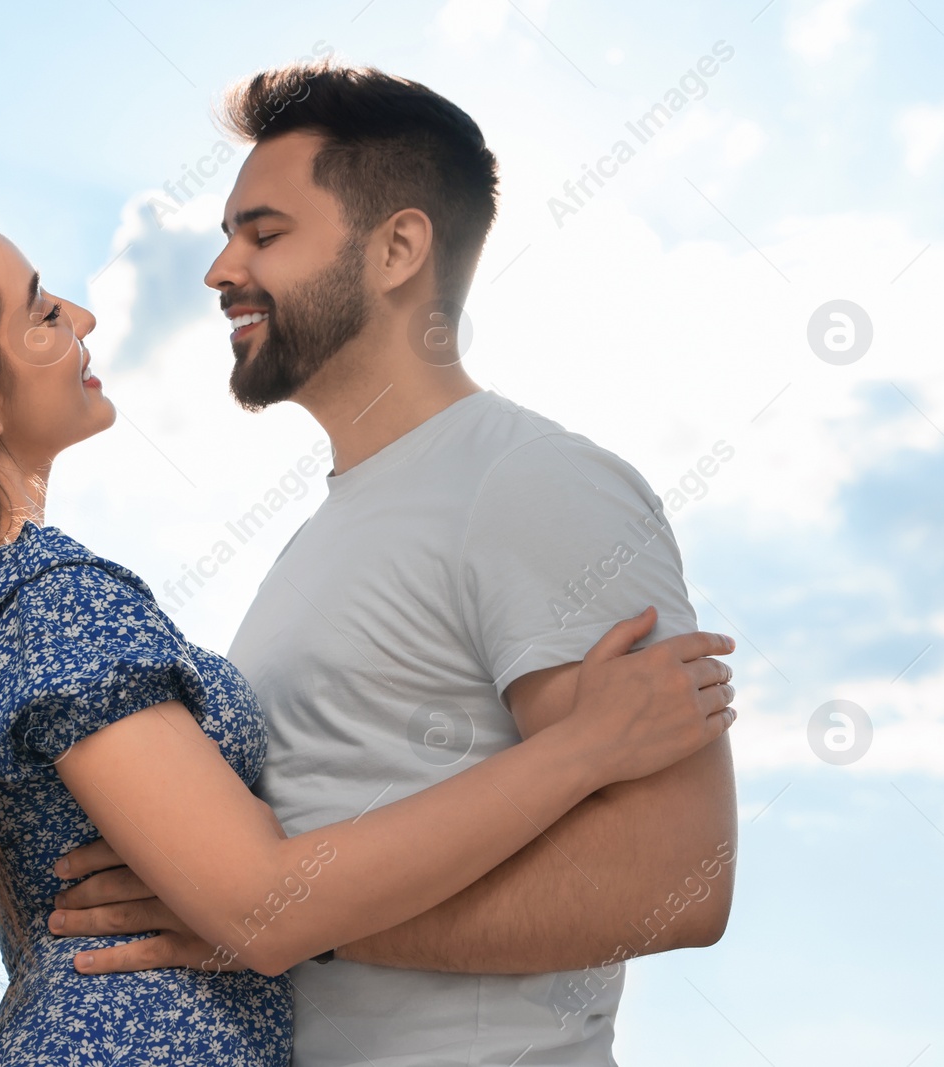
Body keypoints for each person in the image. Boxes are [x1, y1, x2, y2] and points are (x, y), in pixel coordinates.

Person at [0, 199, 738, 1067]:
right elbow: (263, 905)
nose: (81, 314)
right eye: (38, 313)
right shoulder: (47, 591)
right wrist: (581, 747)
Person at [45, 63, 742, 1065]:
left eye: (264, 232)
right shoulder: (323, 534)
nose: (220, 269)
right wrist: (251, 909)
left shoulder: (534, 481)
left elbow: (672, 878)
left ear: (397, 248)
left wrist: (266, 920)